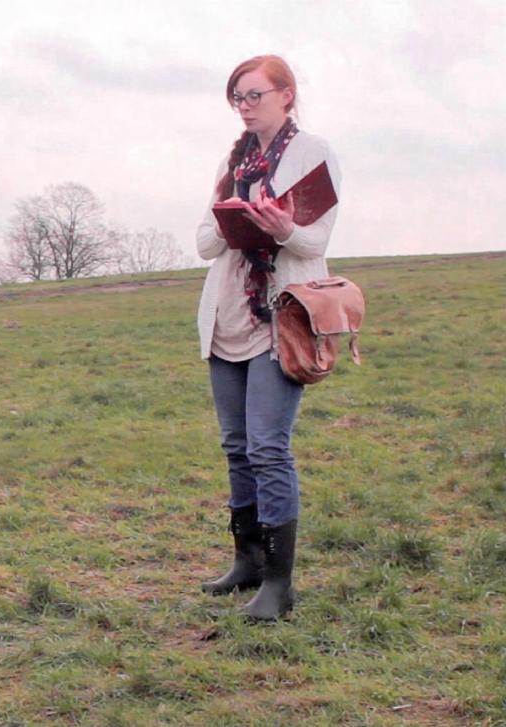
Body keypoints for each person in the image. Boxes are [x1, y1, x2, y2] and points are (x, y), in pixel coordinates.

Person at [195, 55, 340, 619]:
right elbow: (206, 242)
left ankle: (279, 586)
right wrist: (232, 218)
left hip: (280, 315)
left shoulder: (313, 152)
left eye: (254, 95)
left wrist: (284, 228)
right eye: (237, 98)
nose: (245, 106)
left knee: (267, 449)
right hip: (228, 312)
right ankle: (247, 562)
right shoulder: (233, 160)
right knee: (236, 447)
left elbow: (316, 238)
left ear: (286, 94)